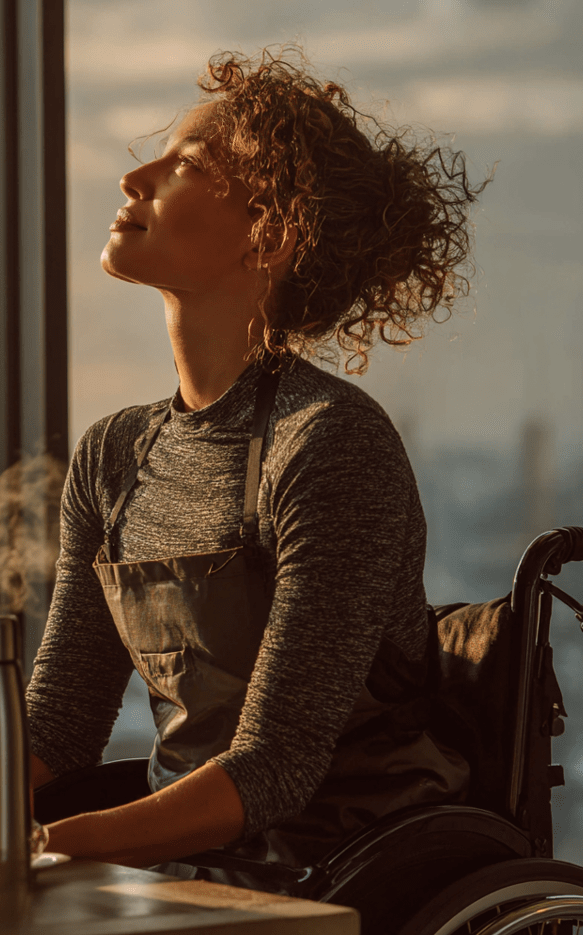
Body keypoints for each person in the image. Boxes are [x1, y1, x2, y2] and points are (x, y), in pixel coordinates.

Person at [25, 47, 486, 870]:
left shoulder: (332, 445)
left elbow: (276, 767)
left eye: (187, 164)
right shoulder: (112, 457)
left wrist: (44, 849)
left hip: (336, 876)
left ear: (272, 231)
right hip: (184, 873)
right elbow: (59, 726)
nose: (138, 177)